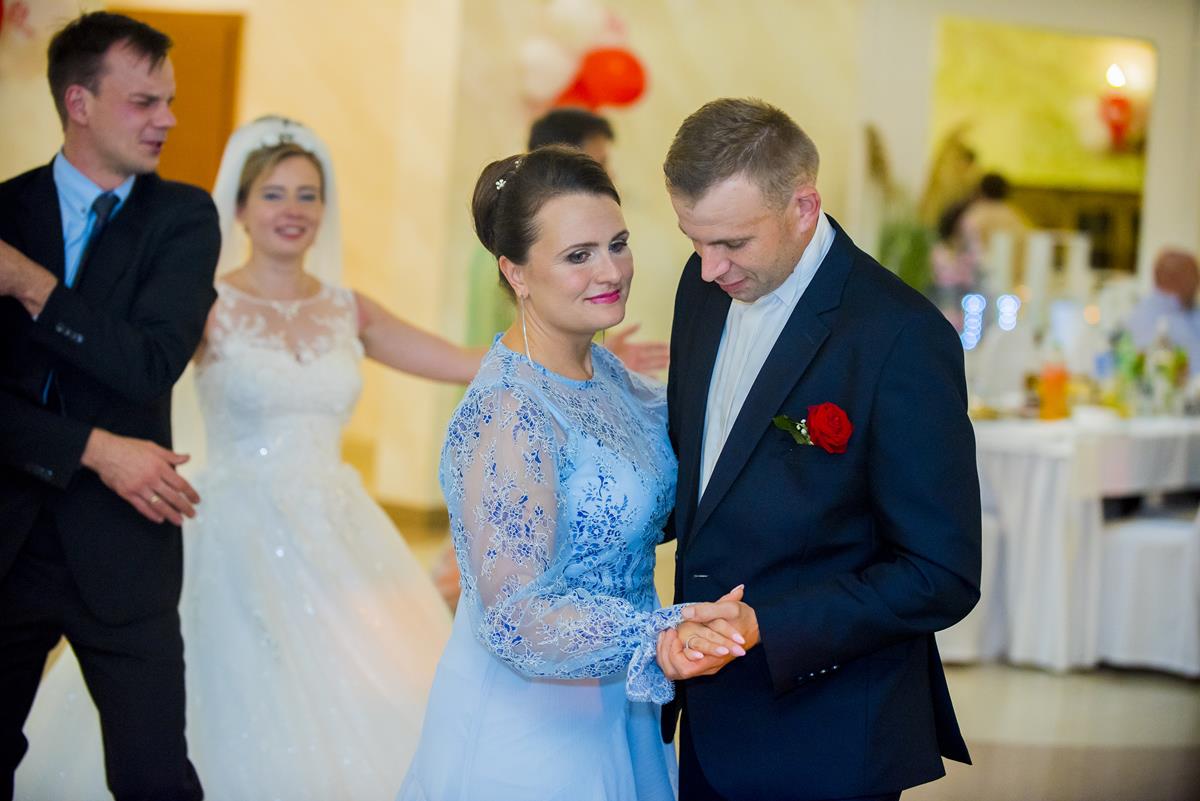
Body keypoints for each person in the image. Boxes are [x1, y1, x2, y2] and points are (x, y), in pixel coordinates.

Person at [15, 117, 472, 800]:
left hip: (337, 523)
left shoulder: (350, 310)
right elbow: (128, 371)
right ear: (241, 208)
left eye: (308, 195)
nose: (293, 210)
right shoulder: (205, 304)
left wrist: (582, 351)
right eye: (274, 194)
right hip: (230, 525)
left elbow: (464, 361)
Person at [657, 98, 982, 801]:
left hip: (827, 737)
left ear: (804, 206)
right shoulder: (702, 288)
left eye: (732, 243)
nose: (709, 268)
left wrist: (766, 627)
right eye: (694, 240)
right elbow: (705, 480)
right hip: (707, 723)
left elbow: (940, 572)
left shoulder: (900, 336)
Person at [399, 145, 746, 801]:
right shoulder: (510, 412)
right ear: (516, 272)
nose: (611, 271)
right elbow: (514, 619)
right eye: (578, 255)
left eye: (618, 244)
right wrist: (657, 632)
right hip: (533, 729)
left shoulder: (611, 376)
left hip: (622, 705)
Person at [0, 12, 218, 801]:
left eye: (169, 101)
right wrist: (94, 448)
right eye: (144, 102)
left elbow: (148, 364)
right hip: (8, 537)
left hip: (124, 546)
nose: (168, 120)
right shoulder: (6, 210)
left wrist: (28, 284)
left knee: (155, 778)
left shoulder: (184, 218)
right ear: (79, 102)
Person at [1126, 248, 1200, 371]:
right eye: (1193, 276)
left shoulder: (1191, 309)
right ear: (1172, 278)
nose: (1197, 283)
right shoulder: (1147, 316)